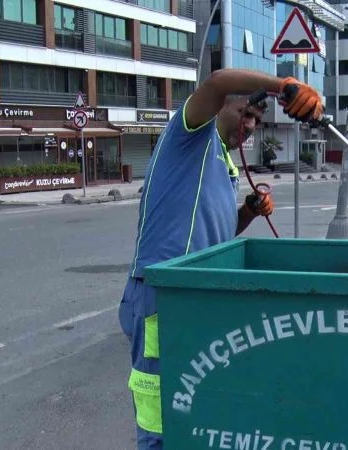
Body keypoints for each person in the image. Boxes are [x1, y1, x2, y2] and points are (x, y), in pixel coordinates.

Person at [118, 68, 324, 449]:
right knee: (160, 417)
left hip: (193, 295)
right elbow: (215, 82)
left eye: (256, 121)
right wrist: (284, 86)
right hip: (159, 294)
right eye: (244, 113)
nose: (249, 125)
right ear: (220, 108)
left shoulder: (224, 164)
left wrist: (248, 211)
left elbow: (218, 236)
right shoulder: (190, 136)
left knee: (192, 407)